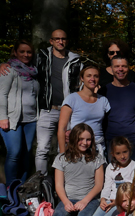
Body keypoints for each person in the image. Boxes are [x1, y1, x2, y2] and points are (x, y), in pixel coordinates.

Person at [9, 29, 82, 175]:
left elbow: (83, 82)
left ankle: (65, 184)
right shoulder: (41, 57)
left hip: (68, 111)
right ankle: (41, 185)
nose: (60, 42)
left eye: (63, 39)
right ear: (51, 41)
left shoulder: (76, 60)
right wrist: (4, 65)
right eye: (57, 39)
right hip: (47, 109)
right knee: (42, 149)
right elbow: (23, 65)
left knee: (68, 147)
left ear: (67, 41)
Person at [49, 123, 104, 216]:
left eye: (88, 139)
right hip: (68, 198)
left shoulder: (97, 159)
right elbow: (59, 185)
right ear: (74, 139)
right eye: (81, 139)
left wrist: (84, 201)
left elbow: (98, 185)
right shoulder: (61, 159)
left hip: (90, 200)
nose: (85, 142)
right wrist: (65, 201)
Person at [0, 40, 39, 185]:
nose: (26, 55)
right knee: (14, 153)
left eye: (29, 52)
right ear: (15, 52)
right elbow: (2, 95)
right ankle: (11, 189)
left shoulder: (34, 71)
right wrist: (3, 117)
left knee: (26, 155)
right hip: (11, 118)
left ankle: (23, 189)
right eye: (22, 51)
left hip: (31, 119)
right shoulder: (8, 70)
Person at [90, 137, 135, 216]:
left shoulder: (134, 166)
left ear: (129, 151)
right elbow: (107, 186)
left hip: (122, 203)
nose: (122, 156)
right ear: (113, 154)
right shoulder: (110, 167)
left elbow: (134, 189)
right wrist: (103, 199)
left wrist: (117, 203)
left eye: (125, 152)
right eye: (118, 153)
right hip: (109, 201)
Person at [100, 55, 135, 159]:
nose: (120, 69)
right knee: (113, 174)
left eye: (124, 66)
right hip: (112, 142)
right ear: (111, 68)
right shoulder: (104, 91)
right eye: (117, 66)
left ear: (128, 68)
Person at [58, 66, 111, 154]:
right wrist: (62, 155)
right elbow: (61, 129)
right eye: (89, 76)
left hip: (98, 148)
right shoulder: (72, 99)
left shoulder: (103, 100)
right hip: (78, 147)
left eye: (96, 76)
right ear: (82, 78)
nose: (92, 79)